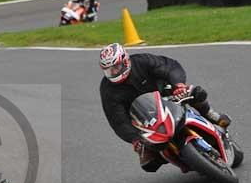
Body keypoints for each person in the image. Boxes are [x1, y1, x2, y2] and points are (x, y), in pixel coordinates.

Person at [98, 42, 232, 172]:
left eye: (116, 67)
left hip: (167, 96)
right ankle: (175, 157)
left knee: (196, 92)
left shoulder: (142, 61)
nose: (113, 72)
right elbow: (117, 120)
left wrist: (178, 85)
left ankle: (211, 114)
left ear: (125, 61)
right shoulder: (108, 90)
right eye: (108, 70)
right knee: (148, 164)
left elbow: (170, 67)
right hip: (144, 120)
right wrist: (134, 139)